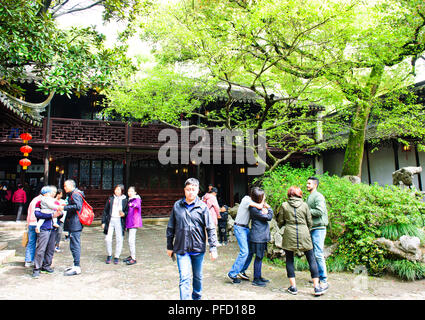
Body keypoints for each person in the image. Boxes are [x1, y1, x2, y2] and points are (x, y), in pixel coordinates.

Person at [166, 178, 218, 300]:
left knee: (198, 277)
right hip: (181, 248)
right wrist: (169, 246)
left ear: (198, 191)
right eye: (188, 189)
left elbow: (210, 227)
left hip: (198, 248)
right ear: (184, 190)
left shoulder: (202, 207)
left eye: (193, 190)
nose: (190, 192)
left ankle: (197, 297)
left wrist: (213, 247)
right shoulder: (177, 206)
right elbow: (170, 227)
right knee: (184, 278)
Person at [278, 186, 324, 296]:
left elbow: (280, 221)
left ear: (289, 194)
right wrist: (306, 229)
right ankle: (316, 287)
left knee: (289, 259)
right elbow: (310, 221)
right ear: (299, 194)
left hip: (289, 233)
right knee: (311, 259)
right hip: (304, 233)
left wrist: (285, 225)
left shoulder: (284, 205)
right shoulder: (305, 205)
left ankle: (293, 287)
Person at [227, 187, 265, 284]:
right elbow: (260, 206)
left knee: (251, 251)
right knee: (244, 251)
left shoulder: (252, 202)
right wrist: (263, 200)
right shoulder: (246, 200)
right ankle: (232, 273)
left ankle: (242, 270)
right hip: (239, 228)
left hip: (246, 228)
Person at [32, 186, 63, 278]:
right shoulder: (39, 202)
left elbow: (60, 213)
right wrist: (52, 215)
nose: (53, 193)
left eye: (54, 192)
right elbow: (37, 214)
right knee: (41, 248)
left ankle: (46, 266)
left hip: (53, 229)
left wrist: (58, 214)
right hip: (44, 228)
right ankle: (37, 268)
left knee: (50, 248)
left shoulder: (55, 202)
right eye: (51, 192)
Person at [306, 176, 329, 291]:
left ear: (315, 185)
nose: (307, 185)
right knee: (314, 254)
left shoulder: (318, 196)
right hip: (313, 228)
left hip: (319, 228)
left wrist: (306, 211)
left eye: (309, 183)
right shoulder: (310, 197)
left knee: (318, 254)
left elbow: (320, 211)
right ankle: (317, 276)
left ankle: (324, 280)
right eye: (307, 183)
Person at [248, 188, 273, 287]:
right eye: (263, 196)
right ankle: (256, 279)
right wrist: (269, 209)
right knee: (258, 257)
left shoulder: (258, 207)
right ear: (259, 198)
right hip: (258, 237)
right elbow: (269, 217)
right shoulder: (254, 209)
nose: (265, 197)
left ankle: (259, 276)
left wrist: (266, 209)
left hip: (261, 236)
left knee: (260, 257)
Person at [61, 179, 84, 276]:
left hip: (75, 223)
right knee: (73, 245)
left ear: (71, 185)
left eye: (66, 186)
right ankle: (75, 264)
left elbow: (78, 206)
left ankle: (77, 266)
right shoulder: (74, 194)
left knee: (75, 245)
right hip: (73, 223)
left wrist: (64, 207)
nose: (64, 188)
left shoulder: (75, 194)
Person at [102, 184, 128, 264]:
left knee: (119, 239)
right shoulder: (111, 199)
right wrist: (103, 222)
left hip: (119, 221)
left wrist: (124, 214)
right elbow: (105, 211)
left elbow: (127, 211)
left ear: (122, 191)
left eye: (119, 190)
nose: (117, 191)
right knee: (108, 238)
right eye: (116, 189)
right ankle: (109, 254)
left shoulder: (125, 200)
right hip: (110, 220)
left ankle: (117, 256)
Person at [124, 186, 142, 265]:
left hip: (134, 222)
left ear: (135, 192)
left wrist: (132, 204)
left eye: (131, 191)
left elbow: (137, 205)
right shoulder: (129, 200)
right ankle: (131, 255)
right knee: (129, 240)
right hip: (129, 222)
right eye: (128, 191)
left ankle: (133, 258)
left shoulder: (136, 199)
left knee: (131, 240)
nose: (129, 193)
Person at [24, 191, 43, 267]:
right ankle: (38, 261)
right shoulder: (42, 201)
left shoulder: (33, 200)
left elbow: (29, 213)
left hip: (31, 223)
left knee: (31, 242)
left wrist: (27, 224)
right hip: (38, 223)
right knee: (40, 243)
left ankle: (28, 260)